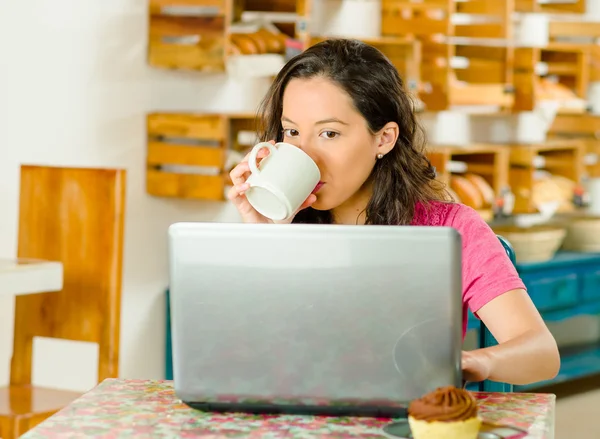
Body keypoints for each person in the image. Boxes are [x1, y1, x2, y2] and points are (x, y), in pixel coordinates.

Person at [228, 38, 559, 386]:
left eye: (329, 133)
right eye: (292, 131)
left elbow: (541, 353)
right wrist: (264, 238)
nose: (305, 154)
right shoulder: (285, 230)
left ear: (384, 139)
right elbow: (245, 359)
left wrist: (468, 363)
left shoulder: (449, 231)